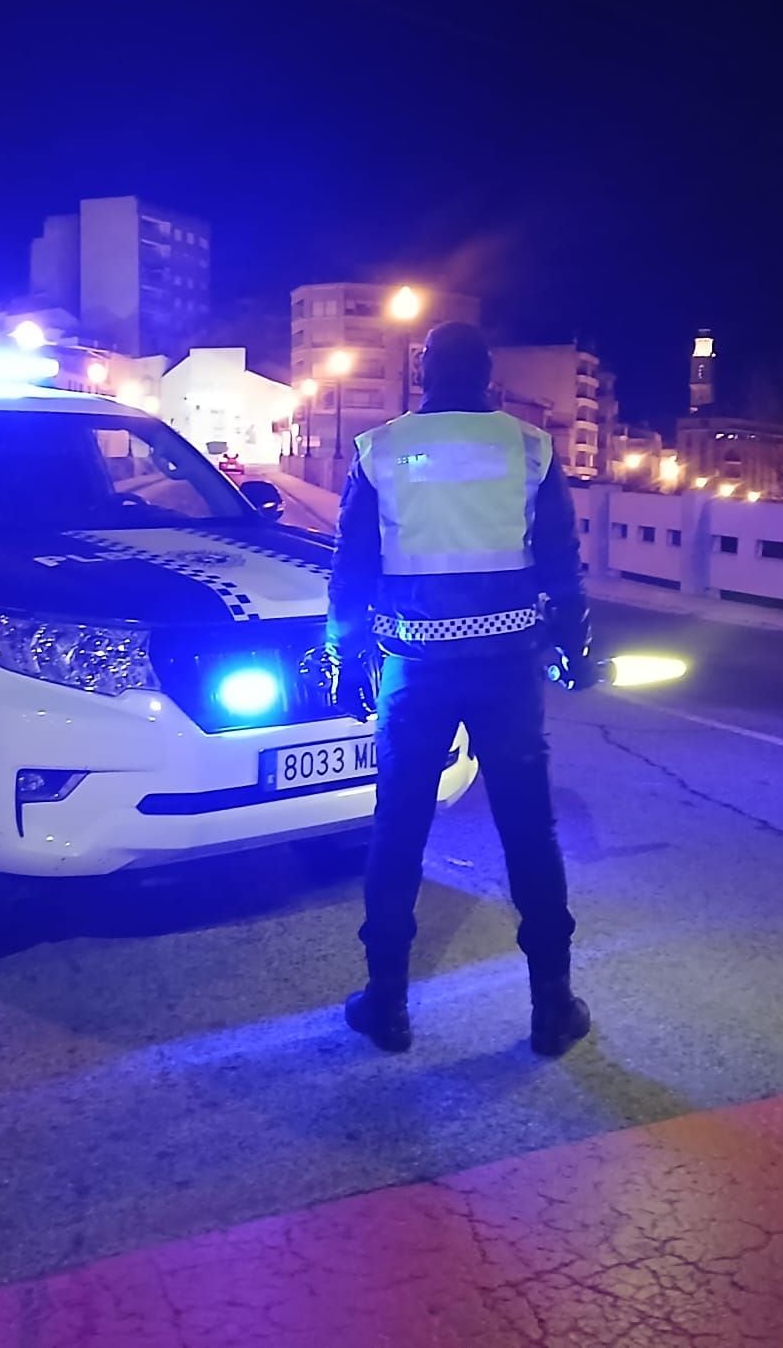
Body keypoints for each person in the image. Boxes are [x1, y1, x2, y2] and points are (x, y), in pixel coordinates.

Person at [326, 320, 594, 1056]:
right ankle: (551, 1009)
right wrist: (575, 645)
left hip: (415, 667)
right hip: (508, 669)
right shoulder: (528, 447)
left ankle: (386, 1006)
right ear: (487, 378)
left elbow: (352, 567)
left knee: (398, 830)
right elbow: (561, 562)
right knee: (529, 834)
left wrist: (346, 656)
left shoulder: (378, 450)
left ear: (423, 375)